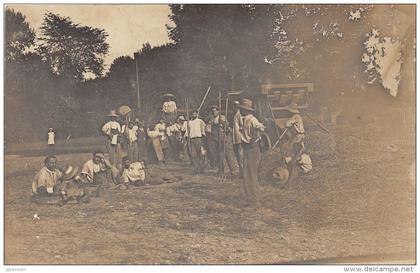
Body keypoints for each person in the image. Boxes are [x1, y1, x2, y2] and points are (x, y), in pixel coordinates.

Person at [238, 98, 265, 208]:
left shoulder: (252, 119)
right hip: (247, 148)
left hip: (252, 149)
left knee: (251, 175)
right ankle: (250, 199)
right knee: (247, 175)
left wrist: (255, 137)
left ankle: (255, 201)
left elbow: (261, 127)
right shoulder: (245, 119)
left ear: (245, 110)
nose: (240, 111)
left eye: (241, 109)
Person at [209, 105, 238, 176]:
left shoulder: (222, 117)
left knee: (228, 153)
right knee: (218, 154)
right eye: (213, 111)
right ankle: (221, 170)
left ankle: (233, 170)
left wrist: (222, 122)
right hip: (216, 138)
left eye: (215, 111)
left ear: (218, 111)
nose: (214, 112)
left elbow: (227, 126)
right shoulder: (212, 119)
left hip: (223, 137)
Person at [183, 110, 206, 174]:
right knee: (194, 155)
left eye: (195, 114)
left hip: (199, 139)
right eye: (193, 114)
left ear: (197, 114)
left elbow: (203, 129)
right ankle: (196, 168)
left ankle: (202, 168)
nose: (194, 115)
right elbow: (187, 131)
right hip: (192, 139)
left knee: (201, 154)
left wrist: (203, 137)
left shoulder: (200, 121)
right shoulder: (189, 122)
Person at [232, 101, 243, 178]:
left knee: (240, 155)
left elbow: (242, 125)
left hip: (239, 137)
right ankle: (241, 172)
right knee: (238, 155)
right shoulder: (235, 115)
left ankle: (243, 172)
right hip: (235, 138)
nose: (233, 108)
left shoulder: (239, 115)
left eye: (235, 107)